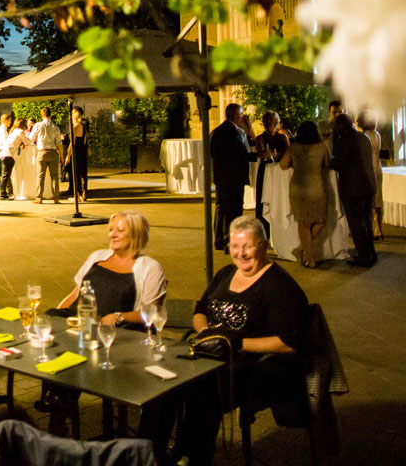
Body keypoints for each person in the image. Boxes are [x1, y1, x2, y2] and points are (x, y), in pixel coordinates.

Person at [141, 216, 309, 466]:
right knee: (162, 386)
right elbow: (200, 310)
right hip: (210, 355)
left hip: (253, 367)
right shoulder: (226, 273)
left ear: (263, 246)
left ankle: (192, 458)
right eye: (234, 246)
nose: (240, 253)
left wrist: (236, 344)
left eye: (248, 246)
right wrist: (206, 333)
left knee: (202, 393)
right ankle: (147, 456)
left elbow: (287, 342)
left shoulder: (278, 286)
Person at [52, 210, 166, 324]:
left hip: (114, 330)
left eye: (120, 230)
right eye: (111, 230)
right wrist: (57, 318)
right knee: (49, 317)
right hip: (79, 321)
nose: (112, 234)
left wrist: (119, 317)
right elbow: (76, 294)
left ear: (136, 234)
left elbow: (151, 313)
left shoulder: (150, 267)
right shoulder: (97, 256)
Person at [278, 121, 332, 268]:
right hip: (317, 188)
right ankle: (310, 258)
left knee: (303, 223)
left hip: (298, 188)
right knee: (319, 221)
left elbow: (283, 165)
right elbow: (327, 164)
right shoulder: (322, 147)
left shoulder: (294, 148)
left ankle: (301, 249)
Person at [331, 113, 378, 267]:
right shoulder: (363, 138)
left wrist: (328, 162)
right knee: (367, 221)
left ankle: (364, 256)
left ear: (340, 126)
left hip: (354, 188)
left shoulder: (345, 141)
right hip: (368, 185)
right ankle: (371, 252)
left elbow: (340, 163)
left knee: (357, 223)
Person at [210, 103, 257, 251]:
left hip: (221, 176)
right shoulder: (234, 133)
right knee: (233, 210)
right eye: (241, 114)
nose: (242, 117)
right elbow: (238, 155)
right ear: (237, 116)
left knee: (221, 208)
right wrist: (256, 155)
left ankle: (218, 239)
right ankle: (228, 241)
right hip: (233, 177)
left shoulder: (216, 131)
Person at [252, 111, 289, 240]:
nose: (269, 124)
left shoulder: (283, 138)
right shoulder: (260, 138)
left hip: (280, 173)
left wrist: (279, 156)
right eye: (266, 122)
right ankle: (263, 233)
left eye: (272, 122)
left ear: (277, 123)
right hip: (265, 171)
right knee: (263, 200)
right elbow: (260, 152)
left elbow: (288, 154)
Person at [358, 110, 385, 240]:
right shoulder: (377, 135)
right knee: (378, 199)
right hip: (378, 168)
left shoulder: (365, 136)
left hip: (368, 169)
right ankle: (379, 228)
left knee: (369, 200)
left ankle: (370, 227)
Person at [31, 106, 63, 204]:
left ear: (42, 115)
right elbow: (59, 143)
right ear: (51, 115)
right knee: (55, 176)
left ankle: (39, 197)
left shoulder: (38, 125)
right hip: (53, 152)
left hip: (42, 152)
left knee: (40, 176)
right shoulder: (55, 127)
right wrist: (62, 156)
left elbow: (31, 137)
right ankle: (56, 197)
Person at [63, 105, 90, 202]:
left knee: (75, 173)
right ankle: (83, 193)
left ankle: (77, 196)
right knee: (83, 173)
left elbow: (72, 143)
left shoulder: (74, 127)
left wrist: (68, 155)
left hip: (76, 151)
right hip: (83, 150)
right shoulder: (83, 126)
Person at [8, 118, 36, 200]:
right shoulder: (20, 132)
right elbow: (27, 141)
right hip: (11, 154)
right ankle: (5, 193)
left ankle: (10, 192)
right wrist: (30, 139)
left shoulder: (14, 131)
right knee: (7, 174)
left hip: (9, 153)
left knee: (8, 174)